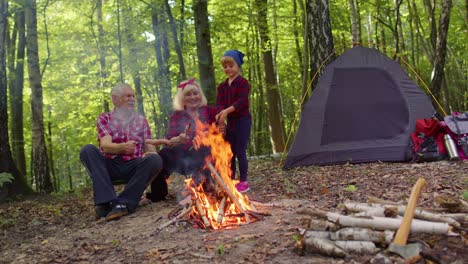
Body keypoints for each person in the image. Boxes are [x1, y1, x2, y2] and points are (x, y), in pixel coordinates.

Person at [80, 83, 168, 221]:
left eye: (133, 96)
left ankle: (123, 203)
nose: (132, 99)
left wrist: (154, 157)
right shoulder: (105, 118)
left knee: (155, 159)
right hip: (109, 166)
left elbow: (149, 146)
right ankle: (105, 202)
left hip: (133, 166)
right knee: (88, 150)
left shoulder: (141, 120)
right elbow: (105, 145)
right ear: (115, 99)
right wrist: (121, 147)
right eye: (128, 96)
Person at [145, 78, 217, 202]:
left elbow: (219, 136)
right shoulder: (177, 115)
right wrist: (179, 138)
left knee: (206, 149)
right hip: (182, 155)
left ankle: (203, 187)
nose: (193, 97)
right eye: (188, 94)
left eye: (195, 93)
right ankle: (158, 193)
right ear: (182, 99)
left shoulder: (210, 111)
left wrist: (208, 135)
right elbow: (169, 138)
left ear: (200, 95)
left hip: (204, 153)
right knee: (164, 153)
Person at [215, 50, 252, 193]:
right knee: (229, 151)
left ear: (238, 65)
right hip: (230, 122)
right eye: (225, 67)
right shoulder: (222, 86)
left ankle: (243, 181)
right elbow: (219, 103)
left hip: (243, 121)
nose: (228, 69)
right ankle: (230, 179)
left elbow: (242, 101)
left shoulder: (243, 83)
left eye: (231, 66)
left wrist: (227, 111)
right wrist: (220, 115)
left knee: (240, 151)